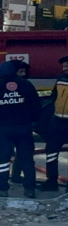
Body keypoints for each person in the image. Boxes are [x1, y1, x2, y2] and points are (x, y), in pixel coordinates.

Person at [0, 59, 42, 198]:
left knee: (3, 159)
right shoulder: (26, 85)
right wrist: (34, 121)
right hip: (24, 127)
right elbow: (36, 106)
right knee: (27, 159)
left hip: (3, 129)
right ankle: (30, 189)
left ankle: (2, 188)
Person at [39, 55, 68, 192]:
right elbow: (54, 97)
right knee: (51, 152)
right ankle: (51, 182)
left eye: (67, 66)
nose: (65, 68)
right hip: (57, 122)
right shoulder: (61, 79)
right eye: (64, 66)